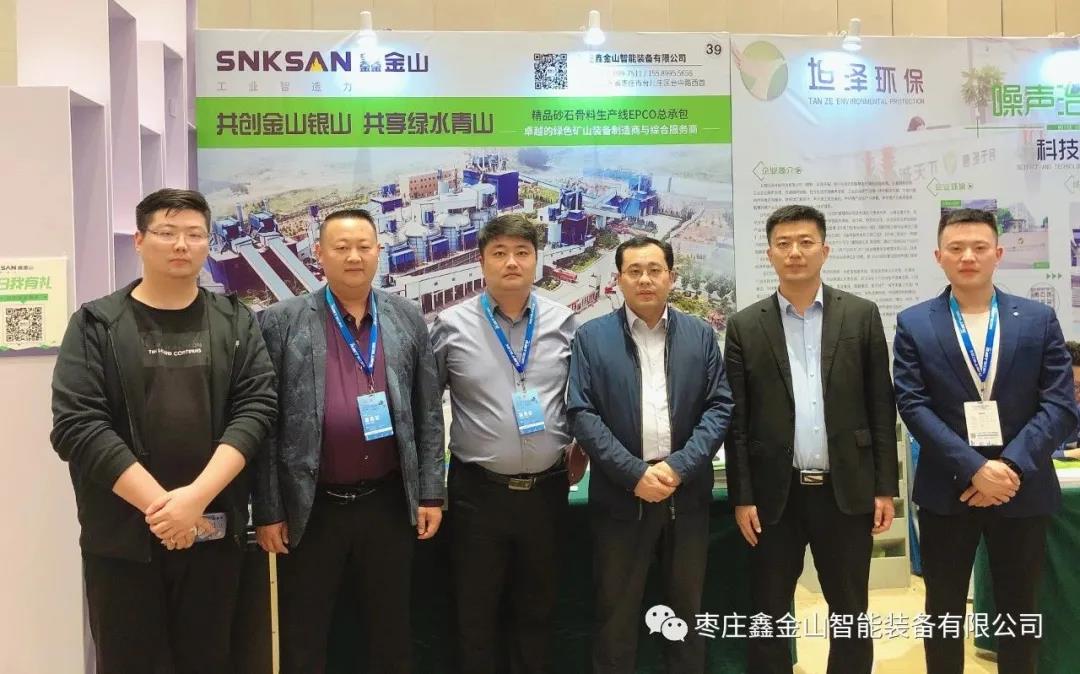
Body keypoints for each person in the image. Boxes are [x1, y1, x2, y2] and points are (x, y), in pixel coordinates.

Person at [50, 188, 277, 672]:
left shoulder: (235, 321)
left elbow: (256, 410)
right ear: (139, 240)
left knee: (210, 661)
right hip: (123, 542)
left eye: (194, 234)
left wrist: (195, 501)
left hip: (212, 533)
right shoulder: (96, 325)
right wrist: (165, 510)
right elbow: (78, 425)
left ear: (208, 242)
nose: (181, 245)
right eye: (167, 232)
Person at [253, 208, 445, 673]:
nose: (354, 256)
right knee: (305, 632)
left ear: (379, 251)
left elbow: (428, 412)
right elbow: (265, 425)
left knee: (390, 630)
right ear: (319, 254)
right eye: (341, 247)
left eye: (363, 246)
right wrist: (270, 509)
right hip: (311, 508)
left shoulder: (406, 318)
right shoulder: (281, 321)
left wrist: (430, 493)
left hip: (387, 503)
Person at [893, 208, 1078, 674]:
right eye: (956, 248)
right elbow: (913, 405)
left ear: (998, 253)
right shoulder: (915, 323)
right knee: (943, 611)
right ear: (938, 256)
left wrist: (1010, 467)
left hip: (1023, 487)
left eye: (979, 247)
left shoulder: (1037, 319)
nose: (968, 257)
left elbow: (1059, 404)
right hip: (948, 487)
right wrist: (974, 468)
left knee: (1020, 609)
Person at [724, 205, 897, 674]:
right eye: (783, 244)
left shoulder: (860, 315)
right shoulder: (745, 326)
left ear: (825, 250)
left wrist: (885, 487)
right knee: (768, 611)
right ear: (769, 254)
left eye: (805, 242)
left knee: (850, 611)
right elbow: (737, 422)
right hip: (774, 496)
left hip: (845, 491)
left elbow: (881, 406)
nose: (795, 252)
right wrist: (743, 496)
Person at [568, 236, 733, 673]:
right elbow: (581, 412)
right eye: (634, 271)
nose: (645, 279)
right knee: (616, 614)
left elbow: (719, 407)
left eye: (655, 270)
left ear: (671, 277)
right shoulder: (591, 337)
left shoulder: (700, 335)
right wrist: (635, 474)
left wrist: (678, 468)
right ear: (618, 279)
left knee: (686, 614)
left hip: (686, 495)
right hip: (621, 498)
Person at [431, 214, 577, 674]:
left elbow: (583, 402)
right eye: (499, 253)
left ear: (536, 259)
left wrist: (581, 451)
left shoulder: (564, 322)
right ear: (481, 261)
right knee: (475, 614)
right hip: (478, 495)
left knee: (537, 610)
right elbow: (426, 409)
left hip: (547, 493)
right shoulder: (450, 325)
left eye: (522, 252)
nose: (511, 262)